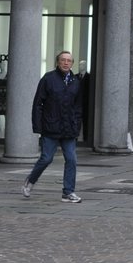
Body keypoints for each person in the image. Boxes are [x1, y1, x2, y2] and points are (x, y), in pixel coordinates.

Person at [23, 50, 84, 203]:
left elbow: (78, 106)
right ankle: (30, 180)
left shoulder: (75, 82)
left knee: (71, 159)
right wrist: (38, 126)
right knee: (46, 158)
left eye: (69, 61)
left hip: (68, 128)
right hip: (50, 127)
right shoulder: (48, 79)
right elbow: (38, 104)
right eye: (63, 60)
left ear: (72, 64)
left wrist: (77, 125)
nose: (65, 63)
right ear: (57, 62)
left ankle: (68, 192)